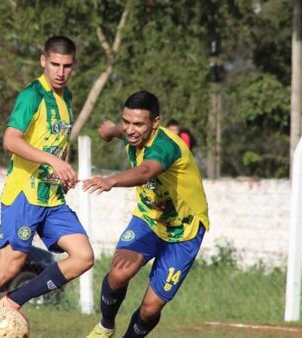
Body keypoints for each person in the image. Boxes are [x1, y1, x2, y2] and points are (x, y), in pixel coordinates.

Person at [0, 36, 94, 338]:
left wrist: (62, 169)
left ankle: (13, 300)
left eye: (67, 66)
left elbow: (53, 143)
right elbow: (11, 140)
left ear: (73, 66)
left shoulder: (67, 98)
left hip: (51, 197)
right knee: (9, 267)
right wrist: (53, 161)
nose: (60, 71)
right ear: (43, 61)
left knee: (83, 257)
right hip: (24, 193)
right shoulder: (31, 95)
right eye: (54, 65)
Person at [83, 90, 209, 338]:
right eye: (126, 121)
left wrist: (111, 181)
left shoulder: (167, 146)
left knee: (151, 308)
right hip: (148, 219)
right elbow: (127, 134)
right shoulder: (134, 134)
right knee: (118, 273)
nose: (131, 129)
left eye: (138, 123)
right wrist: (112, 131)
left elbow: (145, 172)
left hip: (184, 232)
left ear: (156, 123)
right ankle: (105, 327)